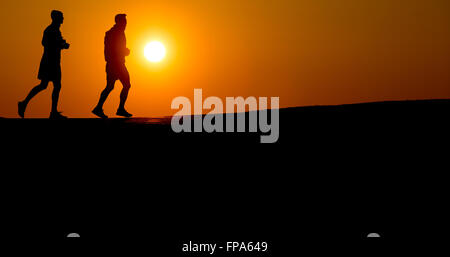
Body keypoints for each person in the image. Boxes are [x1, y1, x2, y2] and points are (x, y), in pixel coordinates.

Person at [18, 10, 70, 119]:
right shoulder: (50, 29)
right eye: (61, 17)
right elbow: (45, 43)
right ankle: (52, 112)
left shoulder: (55, 30)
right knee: (53, 85)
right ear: (56, 18)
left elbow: (55, 43)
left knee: (46, 85)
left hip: (53, 61)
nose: (63, 19)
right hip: (50, 62)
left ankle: (26, 103)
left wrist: (62, 44)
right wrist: (60, 44)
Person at [92, 14, 133, 118]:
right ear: (118, 22)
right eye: (124, 22)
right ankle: (119, 109)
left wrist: (123, 52)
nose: (125, 24)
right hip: (116, 64)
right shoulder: (113, 33)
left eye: (126, 22)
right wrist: (124, 52)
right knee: (125, 85)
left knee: (111, 86)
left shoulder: (118, 33)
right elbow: (112, 50)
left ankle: (99, 108)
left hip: (115, 64)